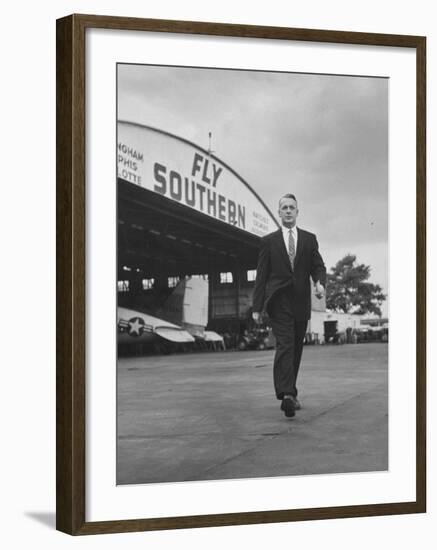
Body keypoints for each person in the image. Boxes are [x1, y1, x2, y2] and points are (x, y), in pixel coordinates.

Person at [252, 194, 326, 418]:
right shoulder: (269, 241)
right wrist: (257, 307)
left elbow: (318, 266)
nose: (288, 211)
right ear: (279, 212)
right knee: (285, 345)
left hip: (301, 301)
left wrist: (320, 283)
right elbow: (261, 276)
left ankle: (291, 393)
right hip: (279, 302)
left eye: (291, 207)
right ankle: (286, 395)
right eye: (284, 207)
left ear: (297, 211)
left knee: (295, 348)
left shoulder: (309, 239)